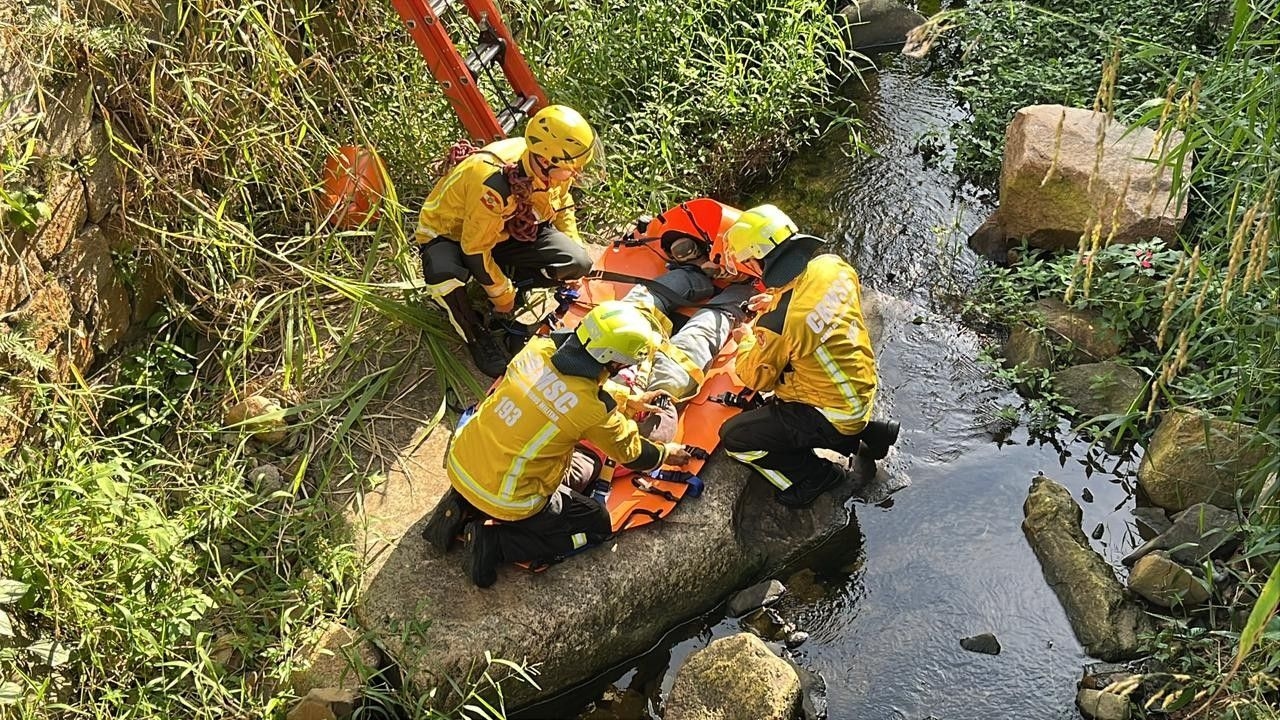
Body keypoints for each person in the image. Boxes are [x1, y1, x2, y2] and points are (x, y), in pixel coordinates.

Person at [421, 301, 695, 588]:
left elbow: (564, 381)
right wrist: (665, 453)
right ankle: (494, 544)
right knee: (596, 524)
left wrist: (627, 399)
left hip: (462, 462)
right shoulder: (593, 411)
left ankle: (458, 506)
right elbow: (632, 453)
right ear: (613, 361)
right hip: (510, 499)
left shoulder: (536, 350)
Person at [716, 204, 900, 508]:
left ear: (760, 258)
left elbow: (754, 376)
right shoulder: (832, 266)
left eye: (749, 261)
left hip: (830, 412)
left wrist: (747, 340)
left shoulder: (779, 324)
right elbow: (808, 297)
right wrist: (775, 299)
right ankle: (868, 433)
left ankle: (816, 477)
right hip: (859, 385)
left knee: (735, 438)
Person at [415, 105, 600, 377]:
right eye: (572, 170)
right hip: (453, 236)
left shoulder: (549, 167)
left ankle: (510, 282)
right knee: (444, 274)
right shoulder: (493, 185)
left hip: (501, 230)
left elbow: (563, 203)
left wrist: (573, 240)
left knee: (576, 262)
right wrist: (502, 293)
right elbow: (474, 249)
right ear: (546, 162)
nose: (576, 175)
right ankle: (474, 332)